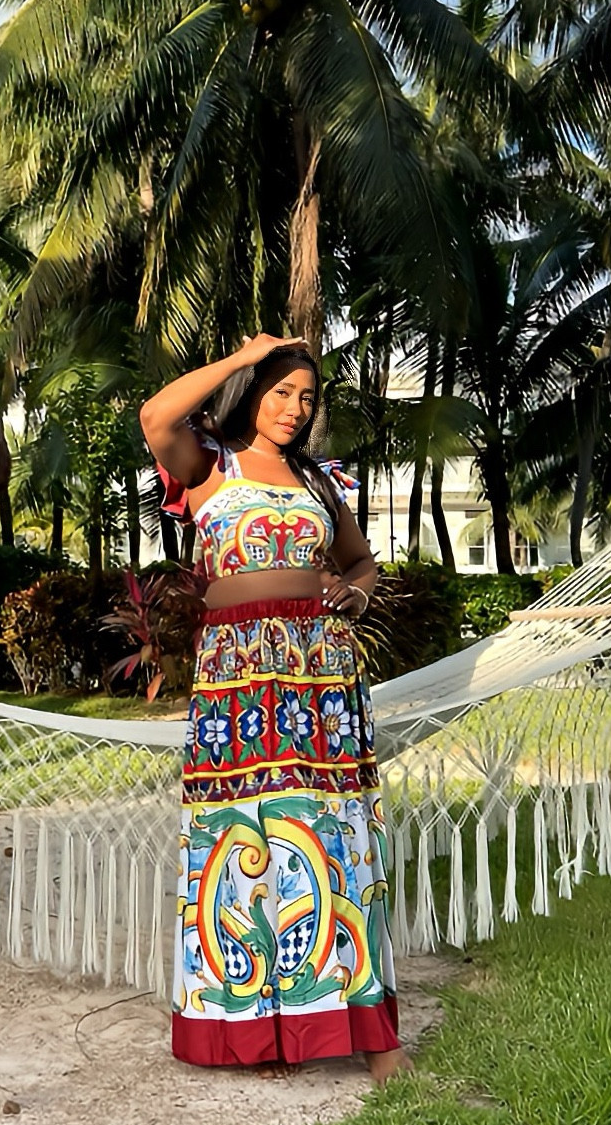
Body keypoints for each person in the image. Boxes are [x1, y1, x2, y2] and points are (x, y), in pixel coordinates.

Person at [140, 334, 410, 1083]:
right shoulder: (209, 462)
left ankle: (368, 1033)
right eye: (282, 391)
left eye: (307, 397)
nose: (295, 409)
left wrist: (354, 592)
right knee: (246, 843)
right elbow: (156, 414)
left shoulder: (322, 480)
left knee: (330, 838)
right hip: (237, 677)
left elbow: (361, 563)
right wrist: (238, 357)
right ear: (253, 392)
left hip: (318, 673)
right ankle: (260, 1033)